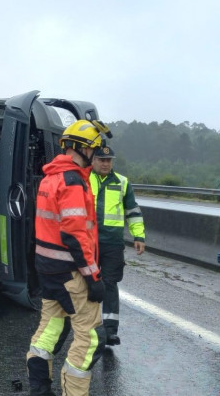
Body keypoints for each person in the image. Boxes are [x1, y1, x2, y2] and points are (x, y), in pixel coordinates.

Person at [26, 119, 108, 396]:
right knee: (91, 335)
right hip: (71, 272)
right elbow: (75, 235)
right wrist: (93, 277)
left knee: (51, 326)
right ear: (82, 149)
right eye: (95, 150)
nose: (97, 156)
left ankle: (39, 390)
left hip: (49, 269)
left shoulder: (51, 177)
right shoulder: (73, 182)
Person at [90, 146, 145, 346]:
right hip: (90, 242)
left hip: (113, 243)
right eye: (101, 160)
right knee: (88, 283)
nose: (105, 164)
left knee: (110, 284)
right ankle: (88, 327)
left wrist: (138, 235)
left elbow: (133, 211)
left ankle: (110, 331)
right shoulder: (85, 179)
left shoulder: (122, 182)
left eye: (109, 160)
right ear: (93, 160)